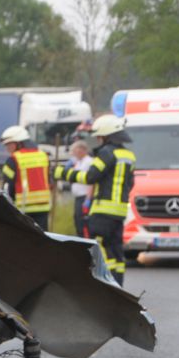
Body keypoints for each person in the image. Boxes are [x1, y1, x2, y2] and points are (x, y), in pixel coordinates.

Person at [54, 114, 137, 286]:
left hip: (103, 211)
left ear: (106, 136)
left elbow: (90, 177)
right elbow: (131, 183)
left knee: (99, 248)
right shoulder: (129, 155)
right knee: (116, 252)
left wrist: (62, 173)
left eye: (99, 137)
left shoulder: (106, 153)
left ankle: (104, 285)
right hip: (120, 211)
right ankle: (118, 287)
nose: (98, 140)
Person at [0, 125, 53, 230]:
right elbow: (49, 180)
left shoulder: (13, 159)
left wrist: (7, 206)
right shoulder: (43, 155)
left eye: (9, 144)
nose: (7, 148)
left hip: (23, 208)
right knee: (42, 237)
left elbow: (7, 187)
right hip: (44, 207)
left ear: (19, 143)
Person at [66, 138, 95, 238]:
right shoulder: (78, 162)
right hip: (78, 197)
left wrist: (88, 199)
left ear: (81, 150)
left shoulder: (89, 162)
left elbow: (92, 181)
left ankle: (86, 241)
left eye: (75, 150)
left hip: (84, 197)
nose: (73, 153)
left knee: (83, 223)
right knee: (77, 221)